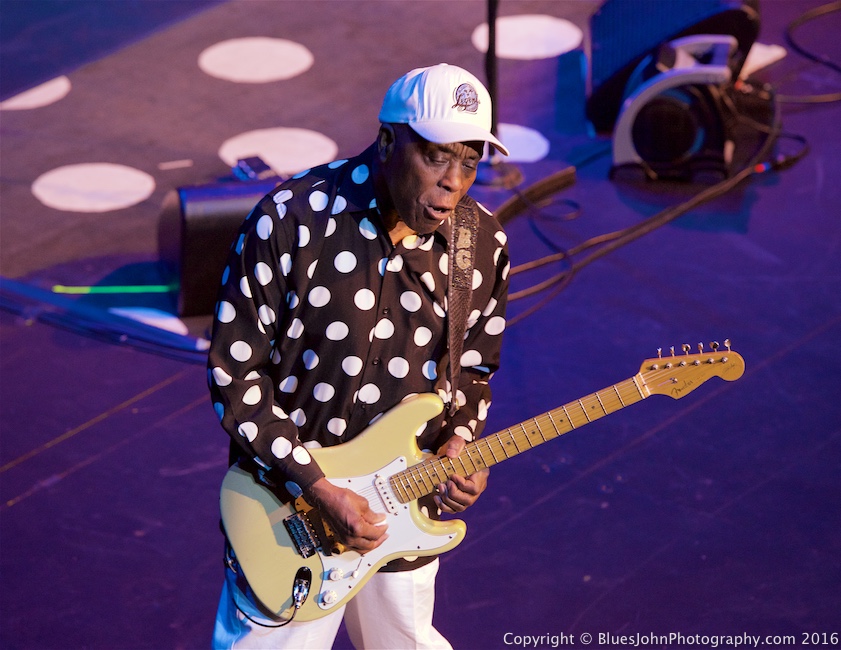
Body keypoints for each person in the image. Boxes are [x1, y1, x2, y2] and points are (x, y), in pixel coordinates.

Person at [208, 63, 511, 649]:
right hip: (290, 516)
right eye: (436, 156)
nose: (454, 181)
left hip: (402, 516)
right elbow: (236, 375)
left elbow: (473, 367)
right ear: (388, 140)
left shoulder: (481, 241)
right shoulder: (292, 219)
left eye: (469, 161)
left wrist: (461, 444)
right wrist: (319, 487)